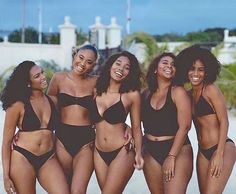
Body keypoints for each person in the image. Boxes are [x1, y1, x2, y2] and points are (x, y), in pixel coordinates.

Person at [1, 61, 69, 194]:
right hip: (22, 158)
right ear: (28, 83)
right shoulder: (17, 105)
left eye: (42, 73)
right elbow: (6, 143)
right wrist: (5, 176)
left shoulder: (52, 101)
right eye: (37, 76)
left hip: (48, 157)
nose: (43, 77)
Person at [174, 45, 236, 194]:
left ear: (207, 72)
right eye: (192, 68)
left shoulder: (210, 90)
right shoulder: (187, 95)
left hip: (222, 147)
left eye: (200, 69)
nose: (196, 73)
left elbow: (224, 121)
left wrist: (219, 154)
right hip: (202, 151)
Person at [47, 44, 98, 194]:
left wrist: (125, 126)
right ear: (74, 56)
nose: (82, 64)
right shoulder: (58, 78)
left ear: (94, 65)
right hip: (62, 138)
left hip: (86, 140)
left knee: (78, 191)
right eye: (80, 58)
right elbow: (45, 107)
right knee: (63, 189)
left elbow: (113, 102)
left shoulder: (97, 82)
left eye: (89, 62)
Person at [91, 51, 144, 193]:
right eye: (118, 64)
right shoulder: (96, 90)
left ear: (130, 73)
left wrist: (139, 153)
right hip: (98, 152)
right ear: (110, 66)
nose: (121, 69)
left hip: (122, 151)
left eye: (127, 67)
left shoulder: (132, 95)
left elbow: (137, 127)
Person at [141, 52, 193, 194]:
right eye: (165, 62)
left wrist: (171, 156)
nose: (169, 66)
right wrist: (127, 129)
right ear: (155, 68)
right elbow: (133, 119)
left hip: (178, 149)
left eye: (173, 65)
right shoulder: (145, 94)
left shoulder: (178, 92)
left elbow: (185, 126)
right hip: (150, 150)